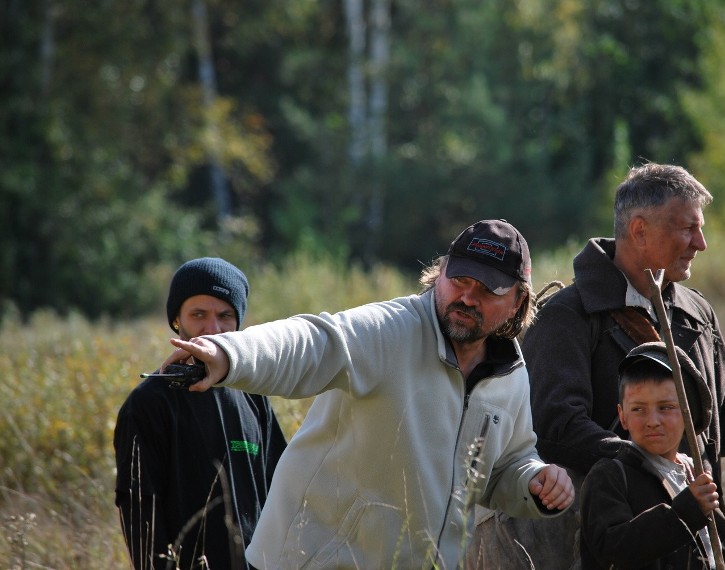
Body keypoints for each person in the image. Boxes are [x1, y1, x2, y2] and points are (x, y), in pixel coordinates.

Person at [466, 162, 725, 569]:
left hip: (687, 537)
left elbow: (711, 421)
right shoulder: (567, 316)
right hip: (595, 541)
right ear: (640, 230)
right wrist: (654, 463)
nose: (700, 243)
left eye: (699, 229)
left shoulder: (694, 312)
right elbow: (557, 426)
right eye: (686, 229)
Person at [157, 219, 575, 570]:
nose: (466, 296)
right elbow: (311, 342)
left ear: (519, 300)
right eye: (459, 279)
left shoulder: (510, 375)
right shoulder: (389, 331)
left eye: (487, 290)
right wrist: (226, 352)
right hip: (313, 562)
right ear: (441, 269)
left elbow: (501, 468)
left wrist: (533, 479)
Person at [114, 257, 287, 570]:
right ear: (177, 321)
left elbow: (281, 495)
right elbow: (140, 516)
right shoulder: (148, 404)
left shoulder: (254, 396)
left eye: (225, 315)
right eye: (198, 315)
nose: (213, 329)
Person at [579, 341, 725, 569]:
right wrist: (684, 513)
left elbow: (719, 551)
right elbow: (612, 551)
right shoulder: (610, 476)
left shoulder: (696, 473)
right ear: (622, 416)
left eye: (665, 407)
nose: (652, 421)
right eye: (638, 409)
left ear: (687, 412)